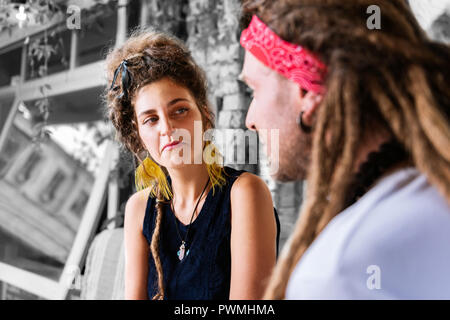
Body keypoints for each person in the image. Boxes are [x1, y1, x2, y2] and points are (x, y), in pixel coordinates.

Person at [239, 0, 450, 299]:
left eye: (253, 90)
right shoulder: (429, 191)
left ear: (307, 92)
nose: (250, 120)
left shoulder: (339, 272)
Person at [104, 29, 280, 300]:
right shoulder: (139, 209)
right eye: (151, 119)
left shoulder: (244, 194)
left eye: (180, 110)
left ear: (205, 114)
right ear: (137, 134)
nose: (168, 128)